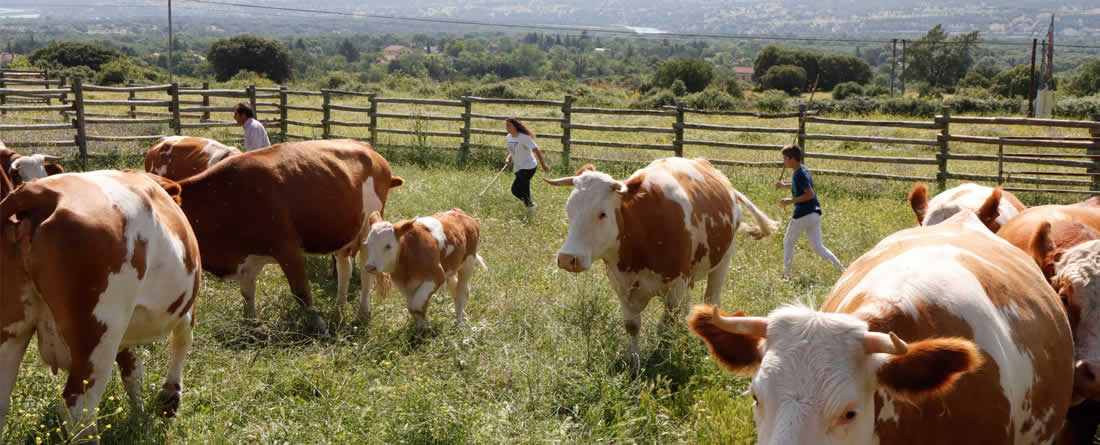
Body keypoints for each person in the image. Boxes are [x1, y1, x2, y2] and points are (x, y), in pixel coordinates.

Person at [775, 144, 844, 278]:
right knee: (818, 247)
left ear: (792, 159)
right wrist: (785, 186)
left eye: (785, 159)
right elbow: (801, 186)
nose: (784, 162)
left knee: (788, 242)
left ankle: (786, 275)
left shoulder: (798, 174)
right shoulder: (803, 170)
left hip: (803, 214)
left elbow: (810, 194)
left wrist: (790, 201)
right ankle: (842, 270)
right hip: (815, 213)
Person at [503, 117, 550, 208]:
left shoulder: (524, 138)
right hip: (518, 168)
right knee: (520, 190)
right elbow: (513, 150)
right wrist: (508, 158)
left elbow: (536, 150)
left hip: (528, 167)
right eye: (506, 126)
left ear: (515, 126)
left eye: (509, 125)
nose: (507, 128)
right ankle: (530, 205)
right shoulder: (508, 137)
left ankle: (530, 206)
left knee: (515, 189)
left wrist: (544, 165)